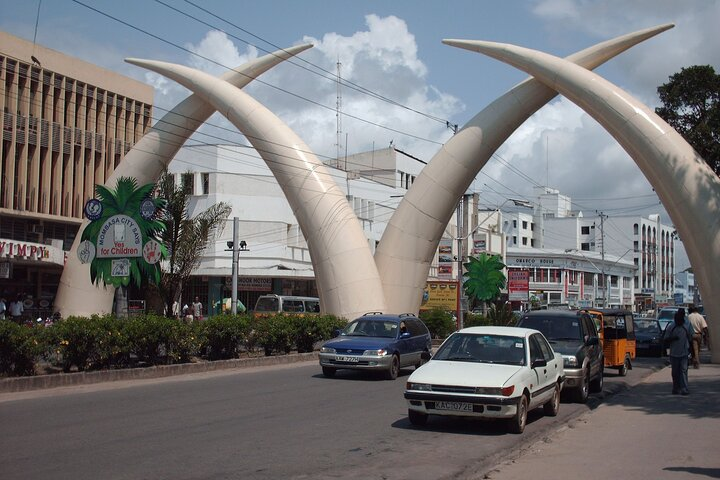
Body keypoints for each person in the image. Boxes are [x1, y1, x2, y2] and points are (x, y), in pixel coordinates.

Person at [664, 308, 693, 395]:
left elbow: (690, 338)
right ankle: (676, 388)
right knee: (675, 372)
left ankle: (684, 388)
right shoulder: (671, 326)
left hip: (684, 353)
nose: (678, 321)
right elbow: (665, 339)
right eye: (677, 320)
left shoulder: (687, 325)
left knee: (683, 371)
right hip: (674, 353)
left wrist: (692, 352)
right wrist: (673, 338)